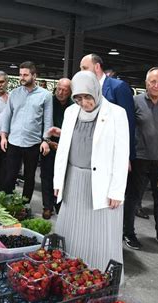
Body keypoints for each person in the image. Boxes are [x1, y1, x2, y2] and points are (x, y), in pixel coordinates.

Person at [53, 71, 129, 275]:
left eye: (88, 97)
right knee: (72, 228)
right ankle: (69, 272)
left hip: (102, 183)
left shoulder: (116, 113)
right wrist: (58, 180)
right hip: (73, 179)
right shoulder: (70, 112)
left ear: (97, 91)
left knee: (100, 233)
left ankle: (98, 275)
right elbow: (63, 149)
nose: (84, 103)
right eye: (78, 98)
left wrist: (116, 191)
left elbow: (122, 155)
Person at [123, 67, 158, 250]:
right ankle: (128, 233)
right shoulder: (135, 101)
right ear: (146, 82)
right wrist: (127, 157)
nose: (156, 85)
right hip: (139, 158)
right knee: (133, 198)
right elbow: (127, 130)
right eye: (152, 81)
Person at [0, 61, 52, 202]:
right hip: (14, 142)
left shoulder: (45, 96)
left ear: (34, 76)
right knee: (10, 176)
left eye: (25, 75)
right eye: (20, 74)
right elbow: (7, 116)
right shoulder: (14, 94)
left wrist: (46, 141)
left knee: (29, 177)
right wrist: (3, 137)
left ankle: (25, 206)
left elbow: (48, 121)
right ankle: (8, 204)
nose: (22, 77)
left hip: (33, 143)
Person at [40, 78, 72, 219]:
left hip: (66, 146)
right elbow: (40, 123)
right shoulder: (49, 102)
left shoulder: (73, 106)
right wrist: (48, 141)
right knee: (46, 176)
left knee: (61, 177)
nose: (61, 92)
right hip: (48, 143)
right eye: (59, 88)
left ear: (70, 92)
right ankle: (47, 206)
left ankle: (59, 205)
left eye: (65, 90)